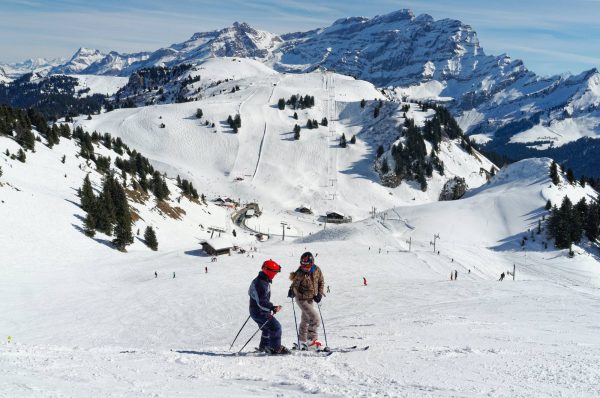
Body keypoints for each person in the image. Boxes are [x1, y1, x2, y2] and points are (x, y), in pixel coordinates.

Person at [248, 259, 290, 355]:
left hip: (256, 310)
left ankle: (264, 347)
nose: (275, 274)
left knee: (267, 328)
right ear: (269, 272)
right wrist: (272, 307)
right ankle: (275, 348)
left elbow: (253, 295)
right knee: (276, 327)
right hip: (259, 311)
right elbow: (262, 302)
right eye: (275, 272)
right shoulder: (261, 283)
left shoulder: (261, 280)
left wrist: (254, 304)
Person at [288, 252, 325, 350]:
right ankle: (311, 341)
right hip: (301, 299)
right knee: (315, 318)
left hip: (311, 298)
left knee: (306, 320)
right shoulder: (300, 273)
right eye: (303, 265)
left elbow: (321, 281)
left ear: (312, 263)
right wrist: (291, 291)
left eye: (307, 265)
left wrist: (320, 294)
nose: (305, 267)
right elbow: (294, 285)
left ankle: (302, 341)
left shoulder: (317, 270)